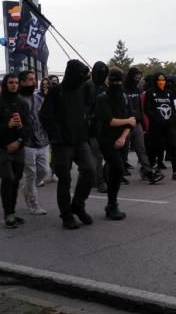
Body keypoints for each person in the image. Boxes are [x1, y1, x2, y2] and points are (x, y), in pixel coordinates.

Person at [39, 60, 96, 230]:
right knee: (64, 179)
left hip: (80, 139)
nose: (83, 79)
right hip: (62, 143)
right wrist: (56, 134)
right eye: (80, 75)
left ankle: (78, 205)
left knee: (90, 170)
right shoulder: (56, 91)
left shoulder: (82, 89)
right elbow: (45, 116)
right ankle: (66, 215)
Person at [0, 74, 27, 228]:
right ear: (5, 84)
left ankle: (12, 211)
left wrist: (19, 140)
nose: (14, 85)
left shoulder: (22, 103)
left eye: (16, 83)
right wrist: (7, 125)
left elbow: (28, 126)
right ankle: (7, 213)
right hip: (2, 147)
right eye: (11, 82)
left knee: (16, 179)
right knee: (7, 178)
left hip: (18, 147)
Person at [94, 67, 136, 220]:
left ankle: (112, 203)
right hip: (106, 138)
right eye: (114, 81)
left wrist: (123, 137)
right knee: (117, 168)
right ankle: (112, 204)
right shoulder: (102, 98)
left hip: (122, 139)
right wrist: (127, 122)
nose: (116, 84)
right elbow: (110, 121)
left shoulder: (124, 97)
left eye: (119, 81)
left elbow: (132, 119)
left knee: (117, 170)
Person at [16, 71, 49, 215]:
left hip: (42, 141)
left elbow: (46, 116)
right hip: (27, 143)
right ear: (22, 82)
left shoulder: (39, 99)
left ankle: (28, 189)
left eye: (34, 79)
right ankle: (33, 204)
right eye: (30, 79)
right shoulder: (16, 100)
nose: (33, 82)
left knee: (44, 171)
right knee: (31, 174)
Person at [123, 67, 162, 184]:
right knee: (122, 152)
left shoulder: (137, 89)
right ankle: (114, 173)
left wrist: (143, 122)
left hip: (137, 122)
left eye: (139, 77)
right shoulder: (123, 89)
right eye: (136, 76)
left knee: (141, 149)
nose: (138, 79)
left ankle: (148, 172)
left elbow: (140, 106)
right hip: (125, 123)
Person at [144, 72, 176, 180]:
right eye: (159, 80)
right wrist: (156, 118)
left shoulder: (169, 93)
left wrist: (173, 117)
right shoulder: (150, 93)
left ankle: (175, 172)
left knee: (173, 146)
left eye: (163, 80)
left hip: (168, 125)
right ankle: (150, 170)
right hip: (156, 126)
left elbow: (174, 107)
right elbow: (147, 109)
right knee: (155, 149)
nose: (161, 82)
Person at [87, 61, 109, 193]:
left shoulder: (104, 88)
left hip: (103, 126)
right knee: (97, 155)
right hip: (91, 127)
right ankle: (99, 181)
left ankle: (95, 178)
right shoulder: (87, 86)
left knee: (103, 155)